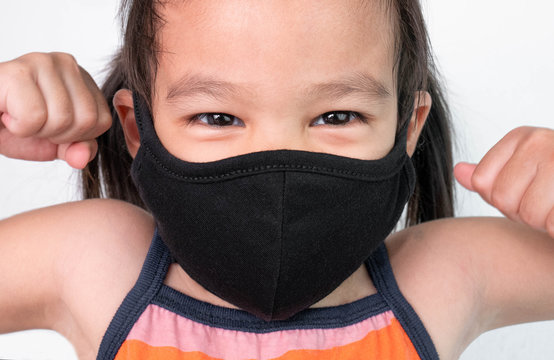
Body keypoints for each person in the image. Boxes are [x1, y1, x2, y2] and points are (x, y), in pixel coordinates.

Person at [0, 0, 553, 359]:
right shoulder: (96, 264)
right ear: (135, 128)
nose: (277, 160)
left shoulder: (443, 277)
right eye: (217, 118)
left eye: (338, 116)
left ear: (408, 126)